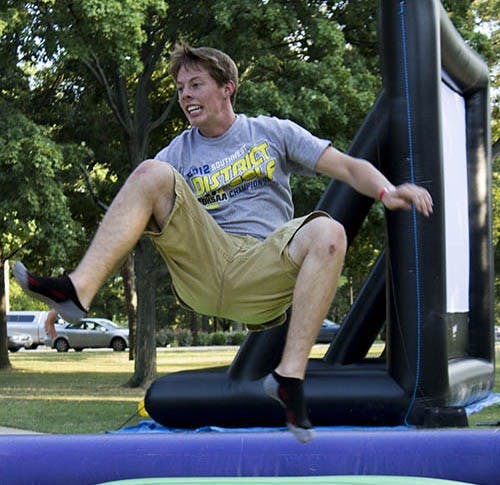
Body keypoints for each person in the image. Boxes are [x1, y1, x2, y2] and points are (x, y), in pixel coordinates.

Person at [14, 42, 433, 443]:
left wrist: (385, 191)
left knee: (330, 231)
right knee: (148, 174)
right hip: (205, 262)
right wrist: (61, 301)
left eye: (195, 84)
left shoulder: (271, 132)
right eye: (180, 88)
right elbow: (123, 222)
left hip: (263, 268)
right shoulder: (176, 153)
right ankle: (76, 290)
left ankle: (289, 377)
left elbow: (347, 165)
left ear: (226, 87)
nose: (185, 95)